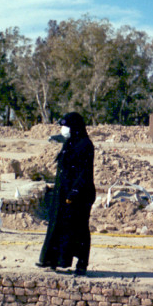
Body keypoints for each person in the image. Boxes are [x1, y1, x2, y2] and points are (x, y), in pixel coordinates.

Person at [37, 112, 96, 276]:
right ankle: (52, 260)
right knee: (57, 226)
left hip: (79, 195)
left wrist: (73, 193)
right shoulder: (69, 143)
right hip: (62, 193)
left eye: (66, 126)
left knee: (79, 229)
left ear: (75, 127)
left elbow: (84, 173)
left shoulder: (85, 145)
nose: (64, 129)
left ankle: (81, 264)